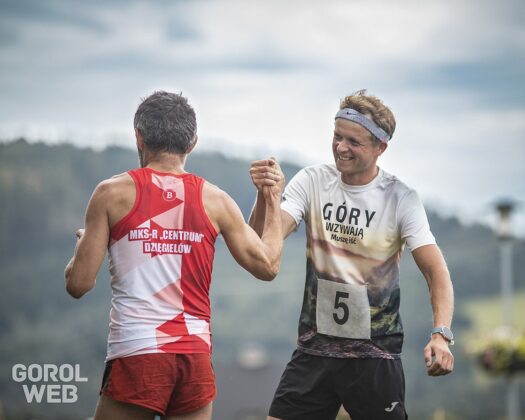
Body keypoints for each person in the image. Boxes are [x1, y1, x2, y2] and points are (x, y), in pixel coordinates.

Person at [64, 90, 284, 420]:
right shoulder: (216, 200)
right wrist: (272, 198)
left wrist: (82, 246)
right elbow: (267, 265)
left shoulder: (111, 193)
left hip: (138, 351)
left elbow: (78, 284)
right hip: (194, 356)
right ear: (192, 142)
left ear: (138, 137)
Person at [249, 90, 454, 420]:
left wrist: (441, 334)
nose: (341, 148)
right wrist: (267, 198)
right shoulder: (313, 181)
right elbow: (263, 241)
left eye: (353, 142)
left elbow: (436, 272)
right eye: (337, 136)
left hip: (374, 357)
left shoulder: (400, 198)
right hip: (315, 350)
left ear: (380, 147)